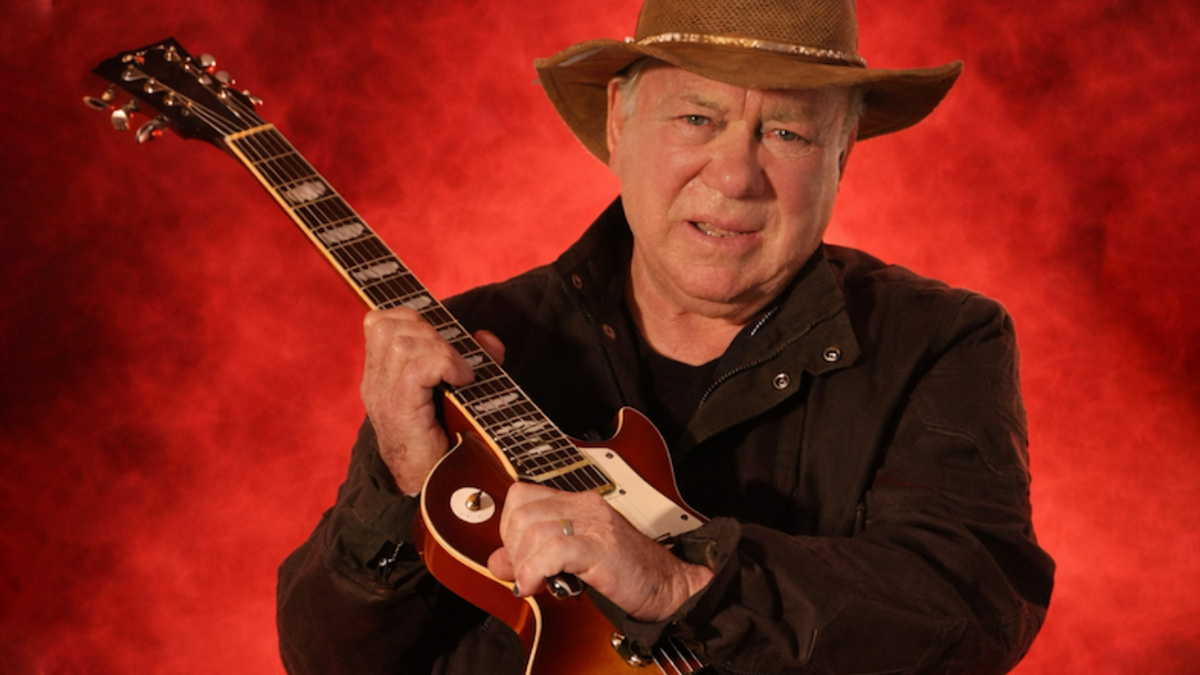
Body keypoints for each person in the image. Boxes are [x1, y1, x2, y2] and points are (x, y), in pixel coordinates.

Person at [276, 0, 1056, 672]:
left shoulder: (941, 339)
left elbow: (971, 607)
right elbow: (327, 660)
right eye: (697, 118)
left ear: (843, 154)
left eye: (787, 133)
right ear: (620, 120)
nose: (735, 176)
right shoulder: (475, 342)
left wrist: (683, 582)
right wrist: (404, 483)